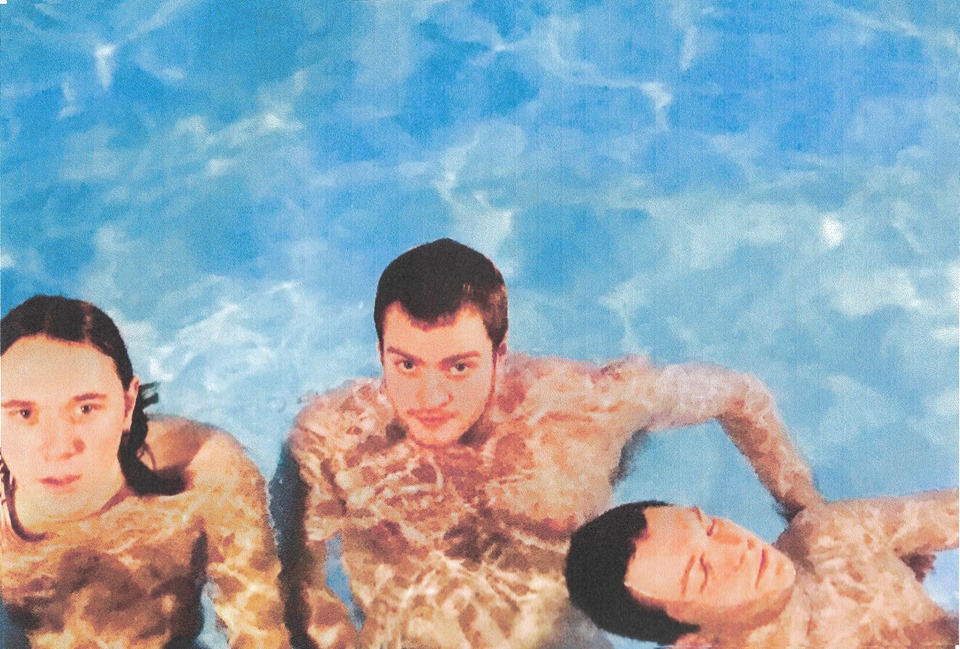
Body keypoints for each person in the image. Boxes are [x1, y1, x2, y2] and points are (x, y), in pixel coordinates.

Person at [279, 238, 823, 649]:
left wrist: (805, 513)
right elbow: (300, 585)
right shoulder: (333, 438)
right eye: (406, 364)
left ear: (499, 353)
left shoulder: (576, 409)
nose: (430, 396)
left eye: (459, 366)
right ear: (380, 351)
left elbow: (740, 395)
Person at [0, 295, 291, 649]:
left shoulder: (201, 472)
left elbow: (259, 628)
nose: (59, 447)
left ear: (127, 405)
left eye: (86, 408)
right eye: (24, 414)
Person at [565, 491, 959, 648]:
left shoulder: (832, 538)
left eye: (710, 527)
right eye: (702, 573)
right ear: (691, 640)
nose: (738, 548)